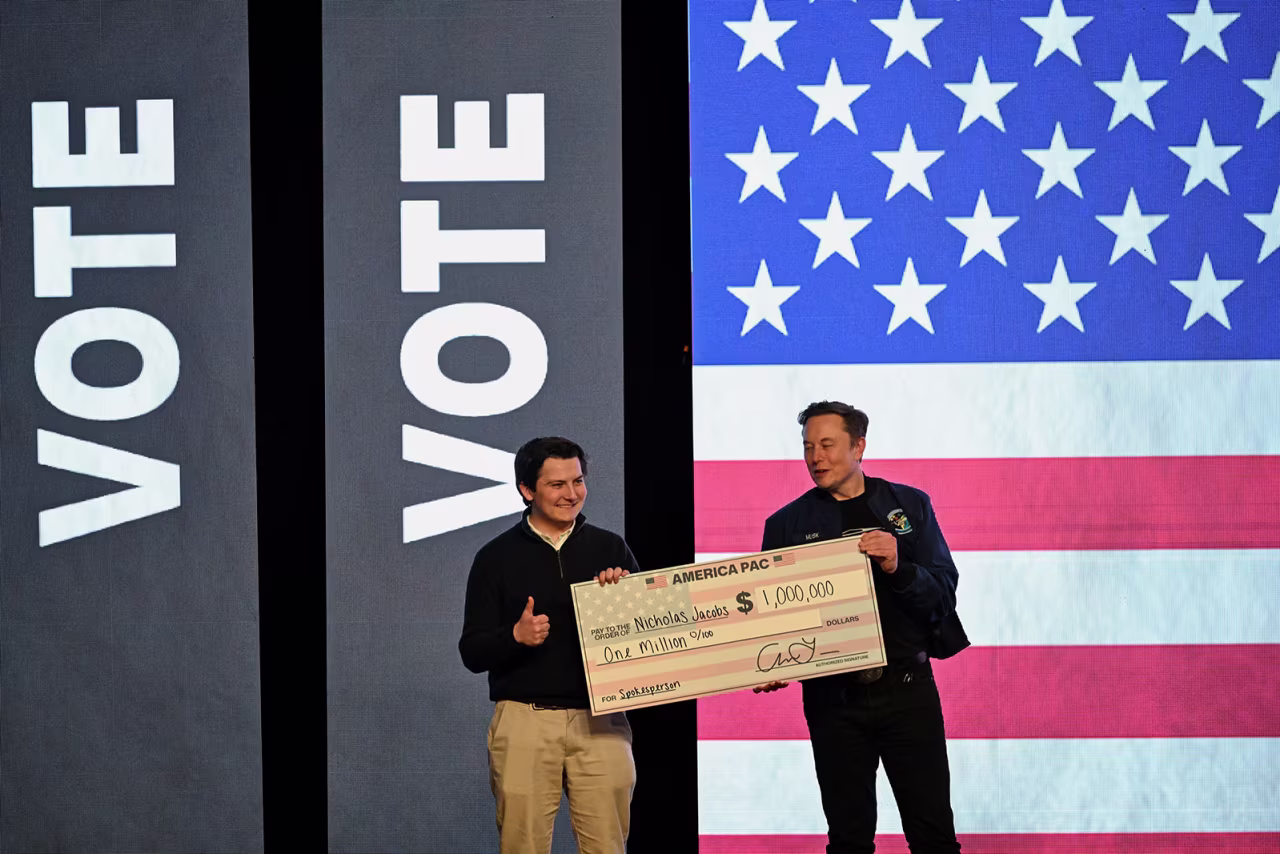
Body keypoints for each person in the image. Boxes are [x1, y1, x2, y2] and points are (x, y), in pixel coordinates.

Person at [755, 401, 969, 854]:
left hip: (907, 691)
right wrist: (766, 661)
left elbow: (943, 596)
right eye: (808, 447)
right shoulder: (785, 525)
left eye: (828, 445)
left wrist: (898, 564)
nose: (816, 458)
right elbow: (770, 620)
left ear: (859, 446)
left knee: (933, 837)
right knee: (849, 841)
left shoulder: (909, 505)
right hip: (833, 700)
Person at [459, 436, 640, 854]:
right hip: (525, 721)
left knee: (609, 847)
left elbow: (648, 640)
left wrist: (623, 603)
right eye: (557, 485)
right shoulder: (494, 557)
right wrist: (515, 638)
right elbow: (472, 651)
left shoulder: (611, 549)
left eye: (577, 481)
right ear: (527, 490)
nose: (571, 494)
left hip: (602, 722)